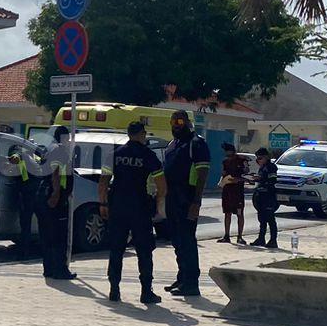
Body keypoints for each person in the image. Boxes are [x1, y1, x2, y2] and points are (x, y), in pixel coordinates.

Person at [99, 120, 164, 304]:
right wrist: (159, 204)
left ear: (128, 134)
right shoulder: (149, 155)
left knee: (116, 249)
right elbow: (162, 185)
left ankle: (114, 289)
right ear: (142, 134)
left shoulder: (114, 154)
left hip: (117, 207)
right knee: (144, 251)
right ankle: (146, 292)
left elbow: (103, 182)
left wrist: (103, 204)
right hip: (140, 208)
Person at [160, 109, 211, 296]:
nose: (176, 125)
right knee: (176, 240)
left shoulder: (196, 143)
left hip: (187, 198)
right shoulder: (173, 144)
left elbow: (202, 174)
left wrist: (196, 201)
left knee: (187, 240)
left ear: (188, 123)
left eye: (180, 122)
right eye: (173, 122)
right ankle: (182, 277)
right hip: (171, 197)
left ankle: (191, 283)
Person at [36, 126, 75, 280]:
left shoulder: (49, 150)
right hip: (55, 200)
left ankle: (49, 269)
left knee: (47, 236)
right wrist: (56, 194)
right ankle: (60, 270)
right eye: (68, 137)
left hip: (44, 195)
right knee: (59, 237)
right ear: (64, 137)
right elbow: (56, 173)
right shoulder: (60, 151)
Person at [5, 145, 37, 253]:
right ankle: (25, 246)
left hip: (29, 194)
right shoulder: (28, 157)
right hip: (33, 192)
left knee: (25, 222)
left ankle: (24, 249)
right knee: (26, 222)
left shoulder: (20, 158)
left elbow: (24, 179)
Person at [218, 142, 249, 245]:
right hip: (227, 190)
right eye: (226, 152)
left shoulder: (242, 160)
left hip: (238, 191)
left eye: (228, 151)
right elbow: (224, 174)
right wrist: (221, 181)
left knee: (239, 214)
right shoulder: (225, 162)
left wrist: (238, 179)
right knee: (227, 213)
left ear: (233, 151)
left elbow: (247, 174)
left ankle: (240, 236)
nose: (227, 153)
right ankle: (226, 236)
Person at [250, 147, 280, 248]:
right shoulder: (262, 168)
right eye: (257, 159)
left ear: (266, 157)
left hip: (268, 195)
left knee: (270, 218)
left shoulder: (271, 167)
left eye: (260, 158)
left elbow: (272, 180)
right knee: (262, 219)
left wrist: (261, 178)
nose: (258, 161)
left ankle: (273, 240)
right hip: (261, 195)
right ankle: (261, 239)